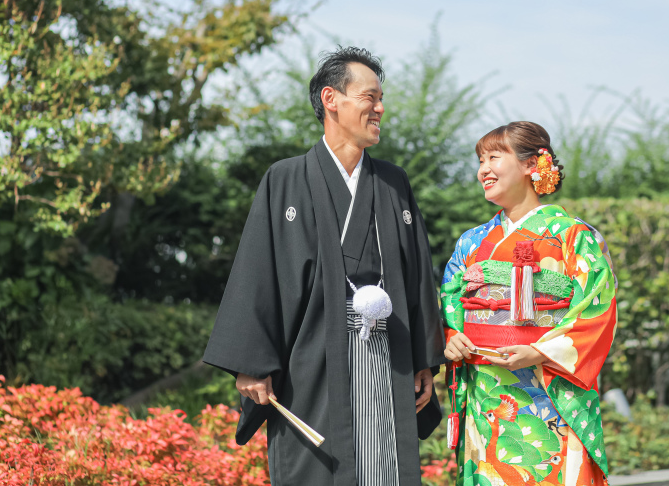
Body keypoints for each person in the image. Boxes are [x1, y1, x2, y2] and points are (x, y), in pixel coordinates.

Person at [203, 46, 446, 486]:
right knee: (315, 471)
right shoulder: (285, 179)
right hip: (312, 360)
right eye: (369, 97)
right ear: (330, 99)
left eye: (381, 99)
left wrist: (423, 359)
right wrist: (251, 362)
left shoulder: (393, 182)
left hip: (387, 355)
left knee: (384, 467)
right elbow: (258, 272)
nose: (380, 108)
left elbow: (417, 275)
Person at [442, 121, 617, 485]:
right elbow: (449, 300)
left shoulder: (572, 234)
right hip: (486, 390)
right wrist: (450, 335)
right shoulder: (471, 242)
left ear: (530, 164)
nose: (483, 169)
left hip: (548, 389)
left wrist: (540, 351)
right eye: (480, 160)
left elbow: (597, 306)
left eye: (494, 157)